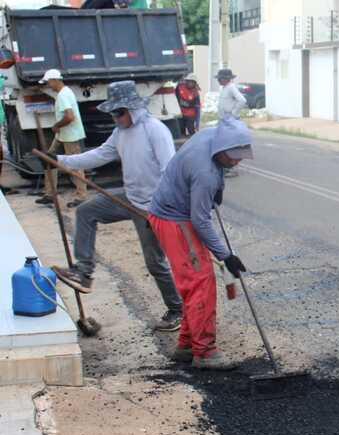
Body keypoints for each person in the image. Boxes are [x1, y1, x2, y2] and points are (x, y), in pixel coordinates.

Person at [51, 81, 183, 332]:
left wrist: (159, 210)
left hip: (153, 206)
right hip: (129, 198)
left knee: (155, 263)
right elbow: (100, 155)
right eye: (113, 113)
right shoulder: (121, 132)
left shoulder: (154, 130)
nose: (116, 117)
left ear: (133, 108)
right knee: (86, 211)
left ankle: (177, 310)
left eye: (119, 112)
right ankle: (83, 272)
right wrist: (61, 160)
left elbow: (170, 171)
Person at [148, 117, 253, 370]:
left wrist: (220, 187)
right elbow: (200, 220)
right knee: (201, 284)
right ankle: (204, 353)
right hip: (177, 220)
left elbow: (217, 172)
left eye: (240, 155)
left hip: (169, 213)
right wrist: (226, 256)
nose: (237, 161)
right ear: (220, 149)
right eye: (232, 157)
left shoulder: (210, 135)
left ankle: (186, 346)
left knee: (193, 284)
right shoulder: (204, 172)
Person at [36, 69, 88, 209]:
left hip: (70, 135)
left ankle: (81, 196)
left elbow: (69, 117)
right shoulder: (64, 93)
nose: (48, 85)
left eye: (48, 82)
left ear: (55, 80)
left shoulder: (63, 95)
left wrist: (56, 125)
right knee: (49, 160)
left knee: (76, 165)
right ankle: (49, 193)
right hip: (63, 134)